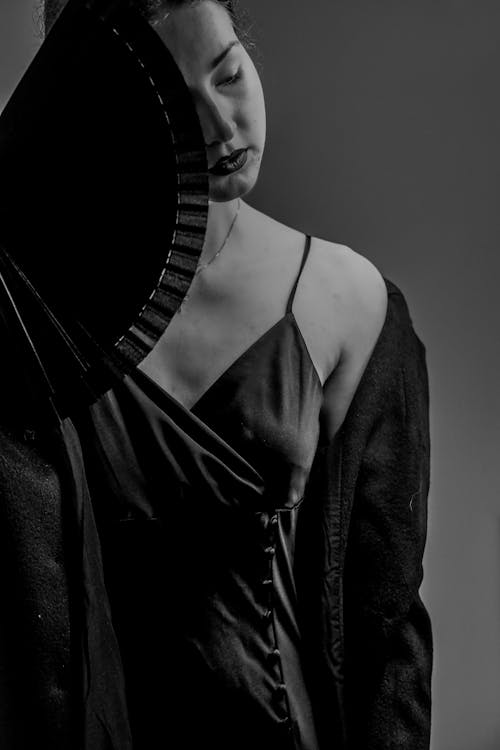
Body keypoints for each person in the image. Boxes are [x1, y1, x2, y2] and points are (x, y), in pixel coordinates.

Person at [0, 0, 432, 748]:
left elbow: (386, 629)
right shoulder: (39, 315)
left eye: (229, 74)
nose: (222, 130)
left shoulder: (345, 299)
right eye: (172, 105)